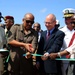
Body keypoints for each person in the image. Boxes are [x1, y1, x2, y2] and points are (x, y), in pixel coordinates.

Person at [58, 8, 75, 75]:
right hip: (63, 59)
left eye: (69, 18)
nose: (66, 20)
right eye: (65, 18)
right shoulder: (60, 31)